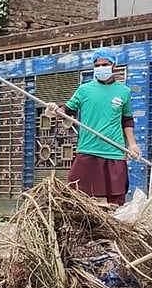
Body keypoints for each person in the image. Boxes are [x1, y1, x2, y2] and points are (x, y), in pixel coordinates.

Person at [46, 48, 141, 205]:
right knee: (76, 194)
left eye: (105, 64)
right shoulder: (84, 90)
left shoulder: (124, 92)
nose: (100, 68)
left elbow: (127, 120)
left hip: (114, 151)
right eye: (97, 65)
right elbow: (66, 110)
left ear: (114, 65)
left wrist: (132, 144)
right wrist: (53, 110)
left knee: (116, 200)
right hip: (88, 148)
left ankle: (115, 228)